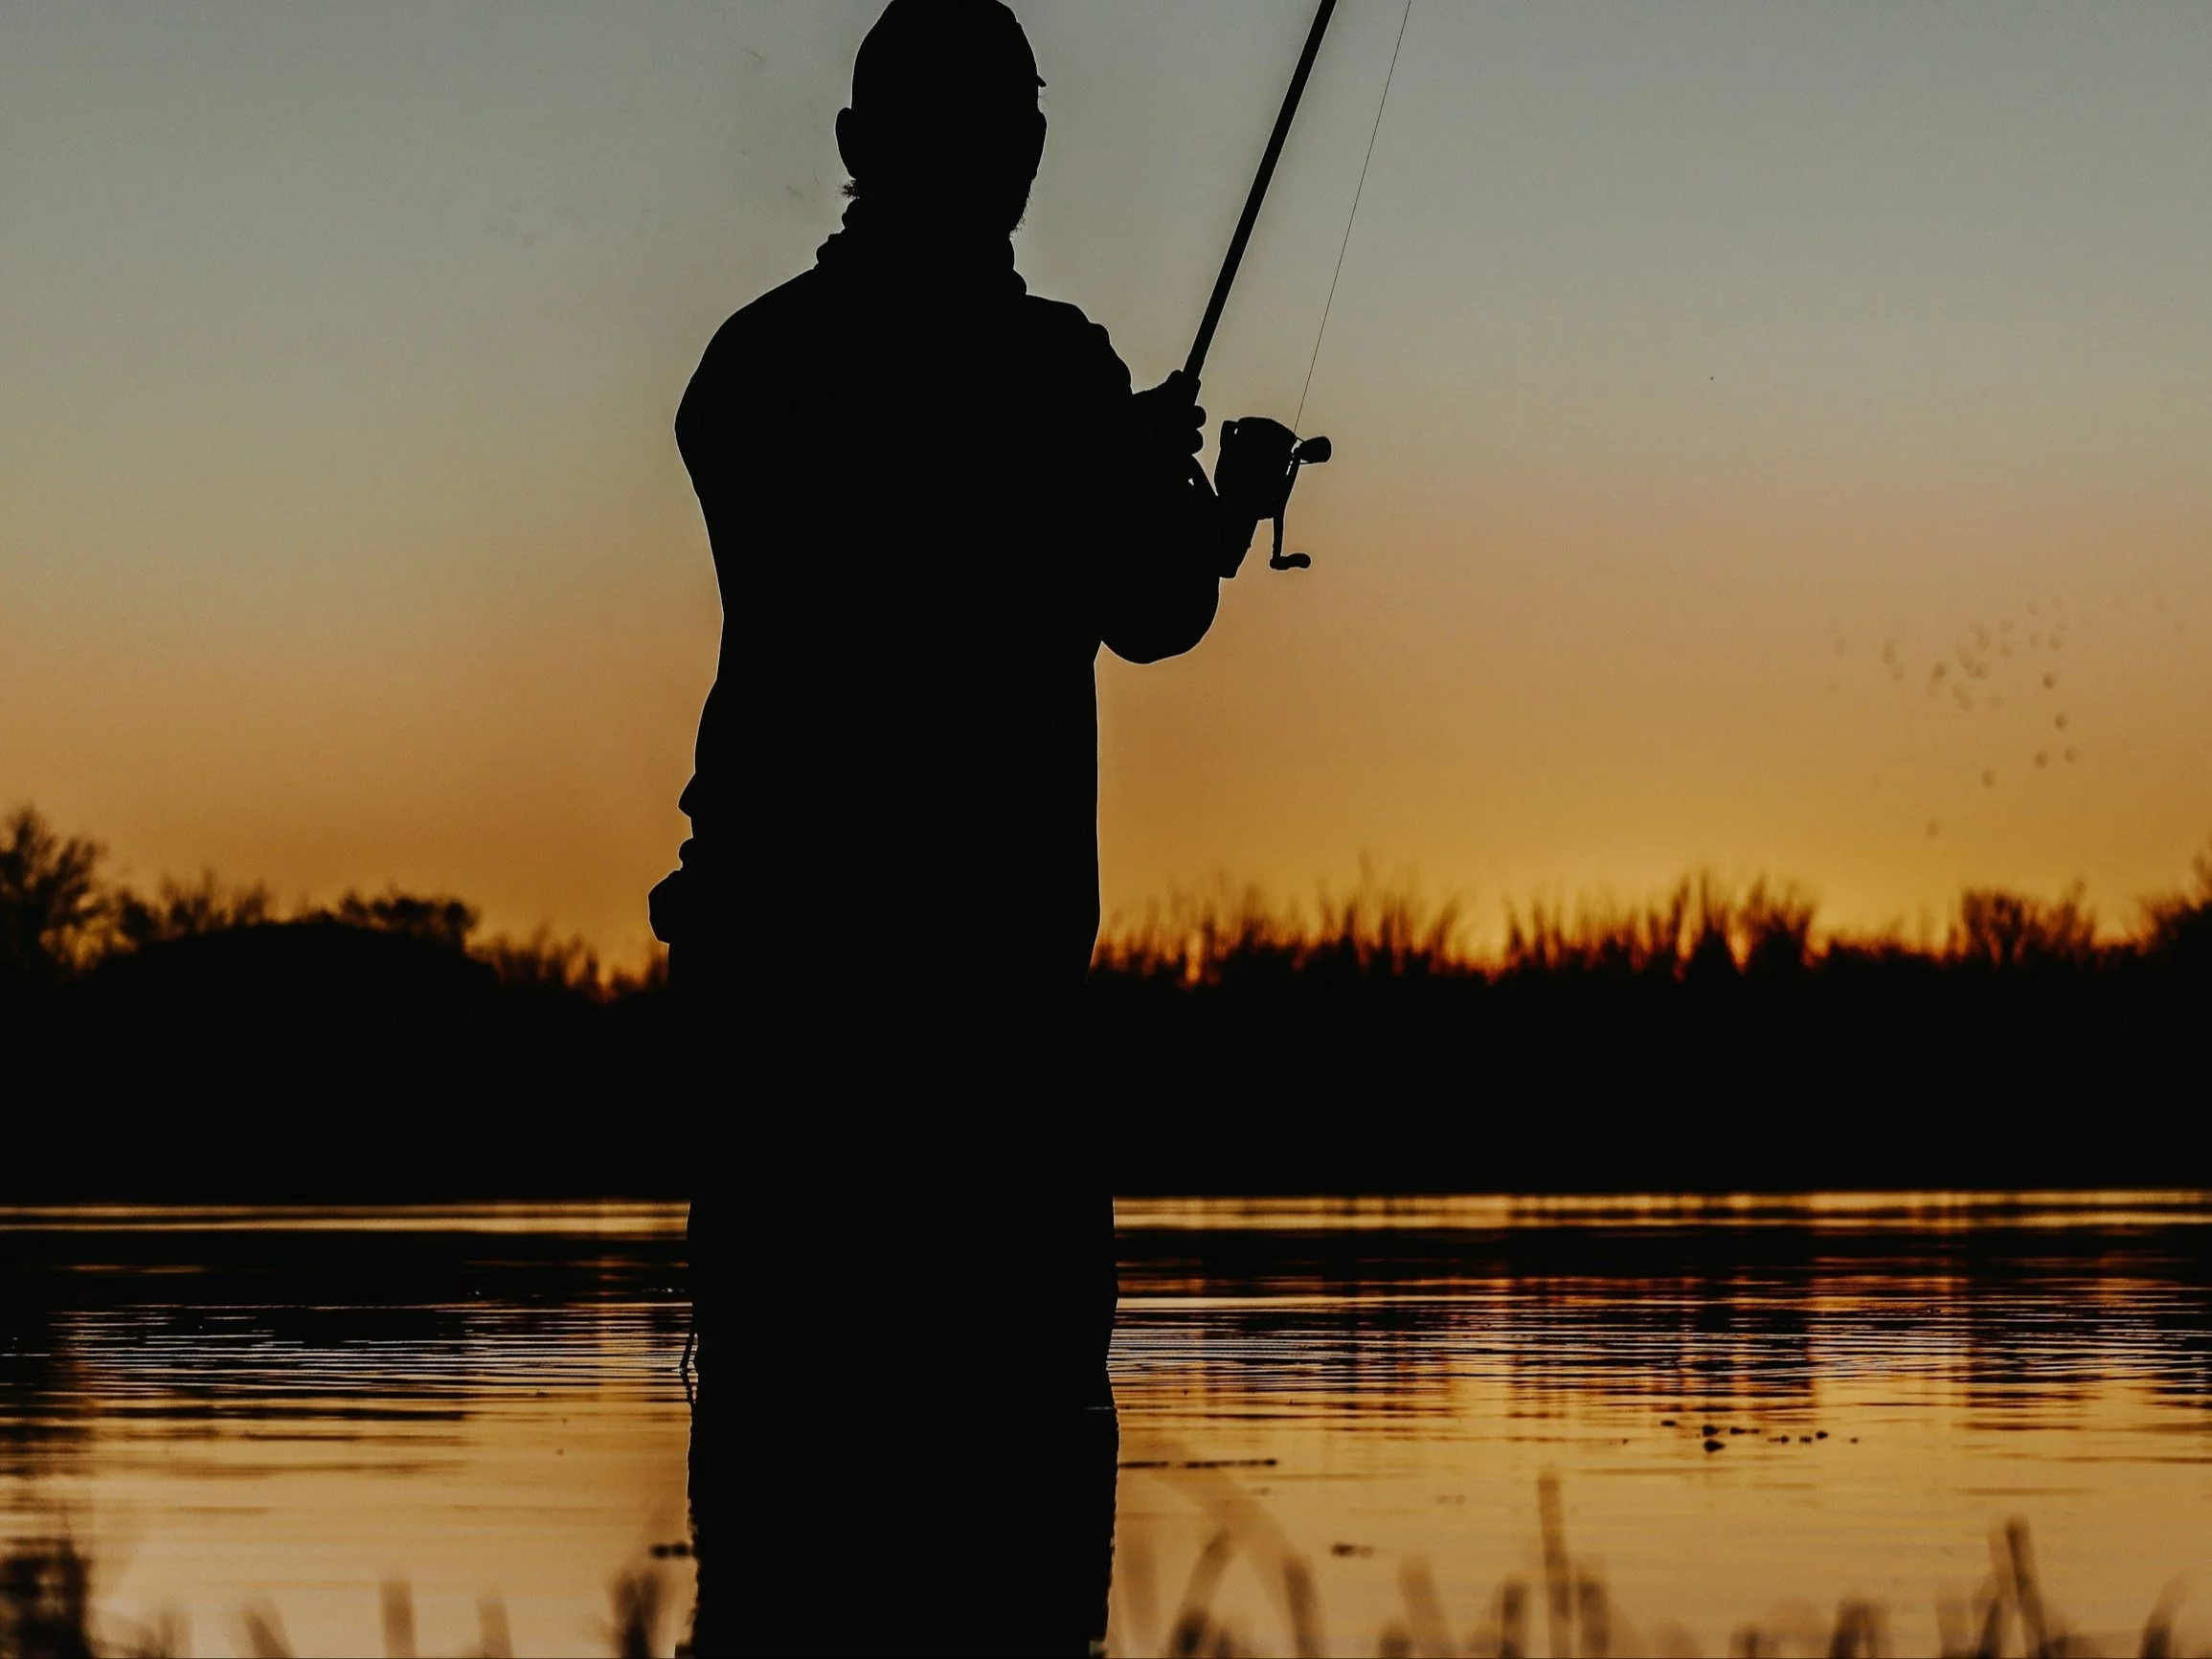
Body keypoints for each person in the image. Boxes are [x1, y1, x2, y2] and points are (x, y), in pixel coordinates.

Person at [655, 4, 1297, 1650]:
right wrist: (1210, 502)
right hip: (989, 1022)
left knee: (777, 1459)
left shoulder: (748, 369)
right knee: (1018, 1473)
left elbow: (922, 520)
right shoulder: (1049, 374)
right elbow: (1151, 607)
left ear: (855, 149)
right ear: (1019, 154)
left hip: (774, 989)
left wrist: (1108, 466)